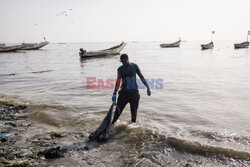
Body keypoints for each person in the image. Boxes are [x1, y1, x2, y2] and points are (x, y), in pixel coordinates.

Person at [111, 54, 151, 124]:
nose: (123, 63)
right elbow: (118, 81)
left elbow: (141, 77)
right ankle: (111, 127)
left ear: (127, 59)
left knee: (134, 114)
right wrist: (114, 93)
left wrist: (147, 87)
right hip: (123, 93)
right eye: (122, 62)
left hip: (134, 93)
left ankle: (132, 129)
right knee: (117, 112)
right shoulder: (120, 69)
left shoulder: (135, 66)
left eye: (124, 61)